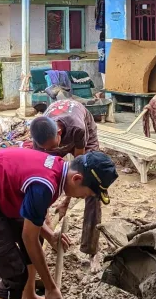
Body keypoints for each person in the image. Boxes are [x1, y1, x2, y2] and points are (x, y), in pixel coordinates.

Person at [0, 146, 118, 299]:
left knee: (38, 237)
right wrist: (50, 287)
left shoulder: (58, 168)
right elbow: (29, 238)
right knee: (14, 274)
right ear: (76, 179)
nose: (83, 198)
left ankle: (28, 298)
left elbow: (30, 217)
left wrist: (49, 235)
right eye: (87, 194)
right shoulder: (45, 186)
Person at [30, 99, 102, 258]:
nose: (51, 150)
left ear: (59, 132)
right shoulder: (40, 140)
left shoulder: (78, 129)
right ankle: (39, 246)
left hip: (85, 134)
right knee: (45, 179)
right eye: (46, 148)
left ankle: (91, 249)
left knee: (92, 185)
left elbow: (78, 171)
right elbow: (39, 177)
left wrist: (66, 202)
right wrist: (46, 219)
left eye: (52, 147)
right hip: (58, 134)